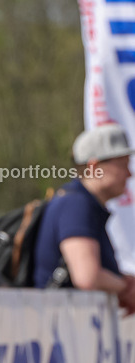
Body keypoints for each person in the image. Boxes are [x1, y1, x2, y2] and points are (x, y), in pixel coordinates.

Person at [33, 123, 135, 313]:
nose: (129, 174)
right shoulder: (76, 205)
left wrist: (121, 280)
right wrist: (127, 288)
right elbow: (88, 276)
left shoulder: (79, 202)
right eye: (123, 165)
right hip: (59, 329)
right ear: (94, 166)